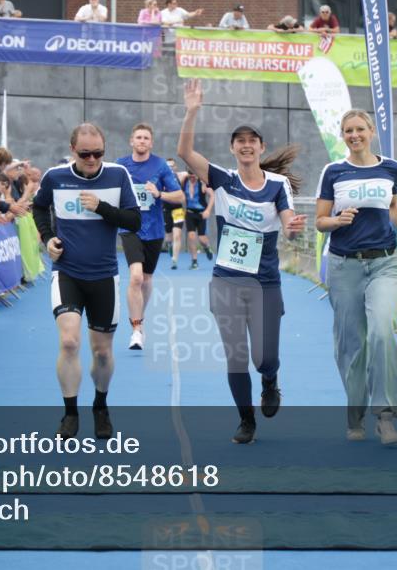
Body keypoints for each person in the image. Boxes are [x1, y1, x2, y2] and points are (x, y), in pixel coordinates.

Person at [177, 79, 307, 444]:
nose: (246, 145)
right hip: (227, 281)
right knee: (236, 357)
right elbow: (184, 152)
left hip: (264, 282)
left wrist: (292, 228)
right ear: (233, 148)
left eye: (252, 140)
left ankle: (270, 380)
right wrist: (192, 111)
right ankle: (246, 419)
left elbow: (288, 223)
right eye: (239, 141)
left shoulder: (277, 184)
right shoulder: (223, 178)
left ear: (261, 147)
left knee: (263, 358)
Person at [314, 109, 397, 445]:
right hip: (345, 266)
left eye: (360, 129)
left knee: (382, 332)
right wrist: (337, 221)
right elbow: (320, 220)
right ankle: (355, 413)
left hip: (385, 263)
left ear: (371, 131)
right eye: (348, 131)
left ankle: (385, 415)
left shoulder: (390, 168)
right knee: (351, 345)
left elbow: (393, 205)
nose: (354, 135)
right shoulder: (333, 171)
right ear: (343, 136)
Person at [33, 123, 141, 439]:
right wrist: (48, 238)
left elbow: (134, 220)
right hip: (67, 272)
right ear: (73, 151)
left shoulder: (118, 175)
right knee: (69, 341)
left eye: (98, 153)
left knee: (102, 352)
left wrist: (102, 208)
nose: (92, 159)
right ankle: (70, 413)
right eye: (85, 154)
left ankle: (100, 406)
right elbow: (38, 207)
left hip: (104, 276)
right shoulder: (55, 177)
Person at [115, 123, 184, 351]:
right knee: (135, 277)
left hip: (154, 230)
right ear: (131, 141)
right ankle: (136, 329)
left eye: (146, 138)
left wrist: (159, 193)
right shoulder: (120, 166)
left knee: (146, 279)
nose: (142, 141)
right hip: (130, 227)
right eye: (138, 137)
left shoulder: (160, 165)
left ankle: (140, 319)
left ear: (151, 143)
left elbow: (179, 196)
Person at [182, 168, 215, 268]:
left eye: (194, 177)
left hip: (201, 214)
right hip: (189, 213)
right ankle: (194, 261)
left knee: (202, 239)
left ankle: (207, 247)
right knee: (191, 236)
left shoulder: (202, 183)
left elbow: (212, 196)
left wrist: (208, 210)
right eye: (190, 177)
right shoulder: (184, 181)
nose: (192, 179)